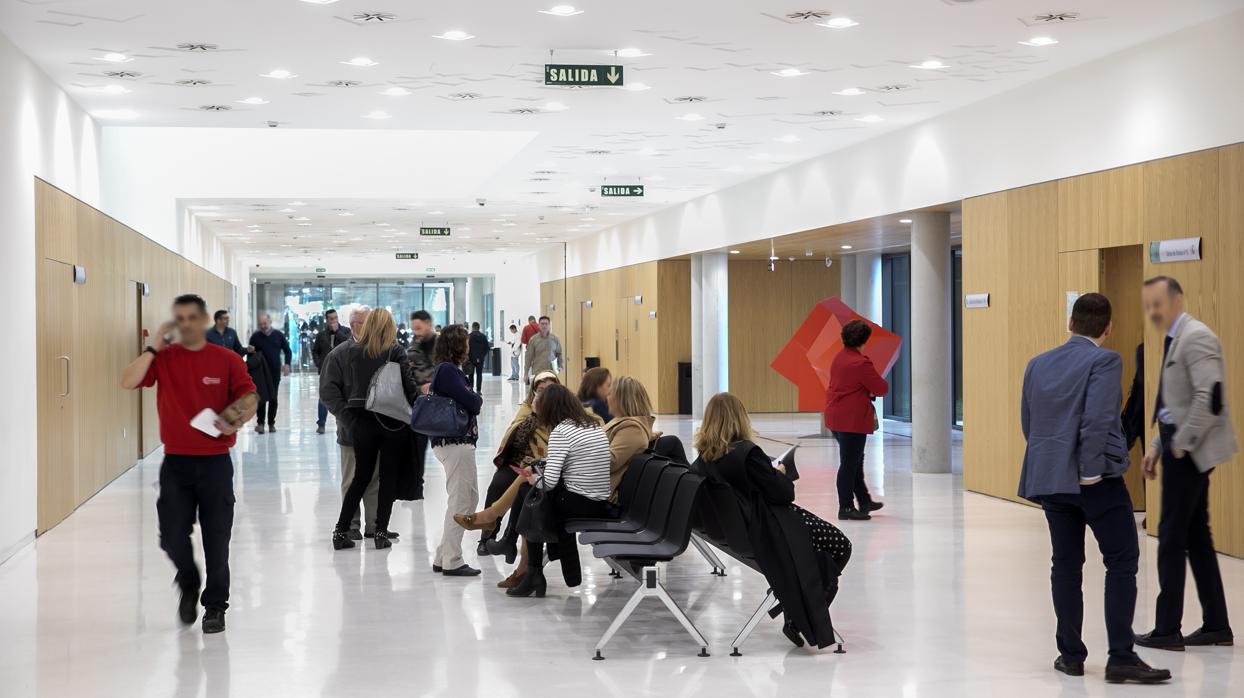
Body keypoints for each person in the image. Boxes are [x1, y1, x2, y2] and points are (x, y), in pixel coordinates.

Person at [1019, 293, 1171, 684]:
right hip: (1095, 482)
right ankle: (1121, 656)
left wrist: (1057, 466)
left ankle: (1070, 655)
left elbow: (1029, 423)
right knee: (1121, 560)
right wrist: (1088, 472)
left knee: (1066, 565)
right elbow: (1100, 420)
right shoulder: (1104, 359)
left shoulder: (1037, 364)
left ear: (1070, 322)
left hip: (1051, 480)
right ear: (1107, 328)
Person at [120, 294, 257, 634]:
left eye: (191, 317)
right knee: (170, 535)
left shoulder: (225, 359)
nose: (185, 324)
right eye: (179, 318)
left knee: (216, 538)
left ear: (204, 319)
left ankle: (215, 607)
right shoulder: (165, 359)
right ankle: (189, 579)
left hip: (215, 464)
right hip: (176, 463)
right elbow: (128, 380)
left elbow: (250, 396)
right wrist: (153, 346)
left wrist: (236, 416)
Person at [692, 392, 851, 649]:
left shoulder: (703, 459)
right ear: (739, 419)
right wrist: (779, 474)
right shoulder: (747, 453)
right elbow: (783, 494)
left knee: (822, 554)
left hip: (740, 530)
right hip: (769, 528)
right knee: (840, 545)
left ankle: (795, 601)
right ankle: (797, 610)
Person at [1135, 276, 1237, 652]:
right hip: (1180, 449)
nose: (1153, 311)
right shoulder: (1176, 338)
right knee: (1196, 536)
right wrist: (1159, 443)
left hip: (1191, 455)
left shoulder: (1197, 337)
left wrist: (1180, 445)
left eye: (1158, 303)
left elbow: (1209, 399)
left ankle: (1166, 629)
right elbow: (1173, 402)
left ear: (1177, 299)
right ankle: (1216, 624)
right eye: (1149, 304)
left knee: (1171, 538)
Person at [509, 383, 613, 598]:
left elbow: (550, 483)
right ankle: (531, 568)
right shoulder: (592, 425)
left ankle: (532, 572)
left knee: (530, 496)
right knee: (532, 497)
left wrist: (534, 479)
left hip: (580, 503)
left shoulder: (561, 431)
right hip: (599, 500)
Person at [455, 372, 560, 588]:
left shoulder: (562, 412)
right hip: (521, 461)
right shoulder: (528, 408)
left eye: (548, 389)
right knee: (498, 485)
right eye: (540, 390)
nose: (543, 394)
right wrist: (534, 415)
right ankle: (487, 536)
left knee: (525, 492)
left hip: (544, 466)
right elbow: (516, 439)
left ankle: (509, 542)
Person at [328, 308, 417, 551]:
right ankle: (379, 532)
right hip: (390, 421)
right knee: (386, 478)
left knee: (360, 477)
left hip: (361, 422)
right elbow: (409, 387)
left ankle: (340, 531)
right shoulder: (395, 351)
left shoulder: (353, 352)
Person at [320, 306, 383, 541]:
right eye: (359, 322)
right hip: (351, 431)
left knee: (375, 479)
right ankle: (352, 525)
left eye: (367, 322)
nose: (363, 327)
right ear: (353, 324)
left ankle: (375, 525)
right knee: (352, 478)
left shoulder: (380, 352)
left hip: (377, 428)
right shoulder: (338, 355)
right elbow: (328, 392)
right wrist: (349, 419)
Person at [427, 324, 484, 577]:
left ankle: (443, 555)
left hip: (456, 443)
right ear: (457, 346)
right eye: (465, 342)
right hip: (455, 443)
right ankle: (452, 559)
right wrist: (476, 397)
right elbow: (473, 402)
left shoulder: (448, 370)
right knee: (461, 500)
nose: (469, 346)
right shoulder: (448, 371)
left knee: (468, 498)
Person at [823, 319, 888, 520]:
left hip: (836, 416)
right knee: (849, 464)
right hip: (851, 420)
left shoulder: (839, 357)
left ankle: (864, 500)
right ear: (864, 340)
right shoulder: (861, 363)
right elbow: (881, 388)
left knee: (855, 460)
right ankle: (846, 507)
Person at [603, 375, 655, 499]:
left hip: (601, 495)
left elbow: (610, 462)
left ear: (621, 399)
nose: (607, 398)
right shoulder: (624, 423)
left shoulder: (632, 428)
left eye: (610, 394)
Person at [246, 313, 291, 433]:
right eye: (261, 324)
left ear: (270, 322)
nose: (263, 326)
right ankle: (260, 423)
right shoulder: (255, 337)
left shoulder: (278, 335)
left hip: (274, 371)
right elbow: (250, 355)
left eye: (265, 323)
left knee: (273, 397)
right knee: (260, 397)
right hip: (260, 373)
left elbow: (287, 350)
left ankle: (271, 423)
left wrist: (287, 364)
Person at [312, 309, 352, 435]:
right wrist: (319, 363)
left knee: (341, 397)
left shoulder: (345, 331)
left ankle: (340, 423)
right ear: (327, 320)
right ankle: (321, 423)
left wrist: (337, 332)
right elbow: (315, 351)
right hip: (326, 371)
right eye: (331, 319)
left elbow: (349, 344)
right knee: (323, 397)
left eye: (335, 318)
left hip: (343, 371)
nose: (333, 320)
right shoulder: (321, 335)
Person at [524, 315, 563, 384]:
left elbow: (559, 354)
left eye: (546, 324)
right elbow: (528, 357)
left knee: (551, 393)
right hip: (538, 372)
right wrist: (526, 373)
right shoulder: (533, 340)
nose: (544, 326)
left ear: (549, 325)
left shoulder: (555, 339)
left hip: (551, 373)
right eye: (542, 324)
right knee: (539, 393)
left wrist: (560, 366)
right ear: (539, 325)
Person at [467, 321, 491, 393]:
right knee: (479, 374)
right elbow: (487, 348)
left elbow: (466, 347)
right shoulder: (483, 336)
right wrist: (482, 355)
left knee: (470, 374)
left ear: (472, 327)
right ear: (479, 328)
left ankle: (471, 389)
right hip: (480, 359)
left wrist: (467, 356)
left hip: (471, 358)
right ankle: (478, 390)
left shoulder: (469, 336)